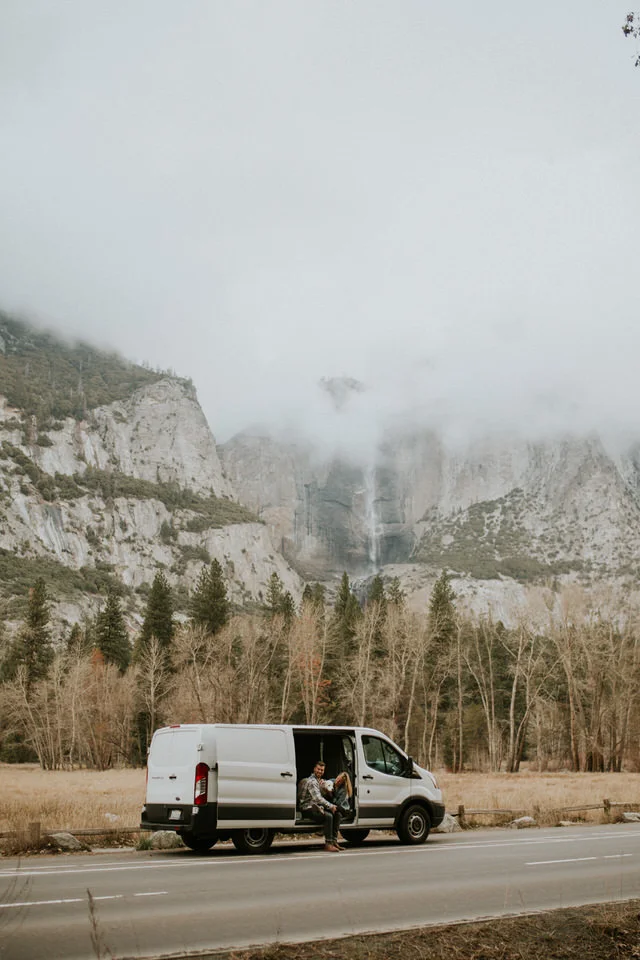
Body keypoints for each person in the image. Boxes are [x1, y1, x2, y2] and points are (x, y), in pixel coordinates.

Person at [298, 760, 344, 851]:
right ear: (314, 769)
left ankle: (334, 841)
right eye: (318, 769)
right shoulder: (312, 781)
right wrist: (331, 806)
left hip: (317, 806)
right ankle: (328, 844)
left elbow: (322, 797)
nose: (320, 771)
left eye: (322, 770)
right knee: (328, 816)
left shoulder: (319, 781)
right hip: (307, 808)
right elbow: (318, 798)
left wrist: (326, 790)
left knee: (338, 814)